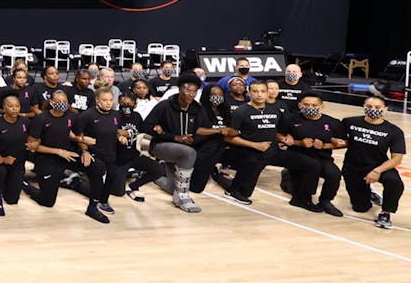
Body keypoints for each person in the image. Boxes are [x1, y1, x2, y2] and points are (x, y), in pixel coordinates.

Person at [141, 74, 221, 213]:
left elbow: (200, 131)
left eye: (194, 91)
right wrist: (171, 136)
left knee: (172, 187)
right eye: (187, 90)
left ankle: (156, 174)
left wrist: (193, 139)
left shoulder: (198, 109)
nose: (191, 94)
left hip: (186, 149)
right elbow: (145, 127)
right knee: (189, 153)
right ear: (179, 89)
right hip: (161, 146)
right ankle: (182, 196)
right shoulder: (165, 105)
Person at [26, 90, 109, 223]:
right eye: (58, 102)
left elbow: (78, 135)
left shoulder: (72, 115)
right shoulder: (41, 118)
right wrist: (58, 151)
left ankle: (92, 208)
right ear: (51, 103)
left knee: (97, 166)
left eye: (65, 102)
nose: (62, 105)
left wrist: (85, 151)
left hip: (68, 154)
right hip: (47, 157)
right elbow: (31, 146)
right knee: (47, 202)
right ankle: (26, 186)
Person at [340, 95, 406, 229]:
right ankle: (369, 193)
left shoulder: (394, 131)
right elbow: (338, 140)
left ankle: (385, 212)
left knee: (395, 182)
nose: (373, 110)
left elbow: (397, 158)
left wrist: (377, 171)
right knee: (360, 208)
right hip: (353, 168)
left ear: (385, 109)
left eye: (377, 107)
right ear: (364, 107)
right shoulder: (349, 122)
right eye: (369, 107)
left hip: (379, 166)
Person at [277, 92, 345, 216]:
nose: (310, 107)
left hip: (322, 157)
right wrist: (295, 142)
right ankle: (301, 199)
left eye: (314, 105)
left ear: (322, 106)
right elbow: (278, 134)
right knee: (311, 169)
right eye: (306, 105)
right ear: (299, 105)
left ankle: (325, 201)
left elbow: (344, 142)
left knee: (334, 174)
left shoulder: (333, 122)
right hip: (296, 156)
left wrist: (326, 145)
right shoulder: (290, 119)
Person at [220, 80, 284, 205]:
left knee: (306, 162)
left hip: (273, 151)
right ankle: (233, 191)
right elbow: (228, 137)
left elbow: (279, 130)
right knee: (251, 165)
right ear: (249, 93)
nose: (259, 94)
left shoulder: (275, 110)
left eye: (262, 91)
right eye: (255, 91)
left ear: (267, 93)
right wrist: (254, 145)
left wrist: (285, 138)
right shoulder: (241, 112)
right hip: (249, 151)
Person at [71, 89, 124, 216]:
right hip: (93, 152)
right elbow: (77, 134)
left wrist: (121, 137)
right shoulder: (87, 115)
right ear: (97, 100)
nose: (108, 103)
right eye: (105, 100)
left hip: (110, 152)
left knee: (113, 174)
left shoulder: (116, 115)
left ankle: (103, 201)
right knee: (98, 175)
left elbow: (116, 131)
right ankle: (92, 207)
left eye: (111, 100)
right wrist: (84, 150)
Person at [112, 92, 164, 202]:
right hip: (118, 159)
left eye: (129, 104)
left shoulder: (137, 116)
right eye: (123, 103)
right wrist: (118, 134)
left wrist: (157, 126)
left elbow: (144, 133)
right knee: (118, 192)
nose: (126, 106)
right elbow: (106, 129)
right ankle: (117, 175)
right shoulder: (114, 116)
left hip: (134, 155)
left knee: (159, 170)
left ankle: (134, 185)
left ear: (135, 104)